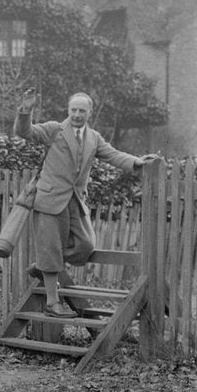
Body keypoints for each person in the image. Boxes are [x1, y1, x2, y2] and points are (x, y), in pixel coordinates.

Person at [15, 90, 159, 318]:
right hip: (49, 200)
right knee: (51, 248)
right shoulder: (54, 130)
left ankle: (42, 265)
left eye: (82, 110)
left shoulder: (94, 138)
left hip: (75, 202)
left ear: (89, 112)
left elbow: (113, 155)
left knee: (86, 245)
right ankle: (53, 302)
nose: (77, 115)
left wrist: (137, 162)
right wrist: (26, 109)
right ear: (68, 110)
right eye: (73, 110)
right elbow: (25, 131)